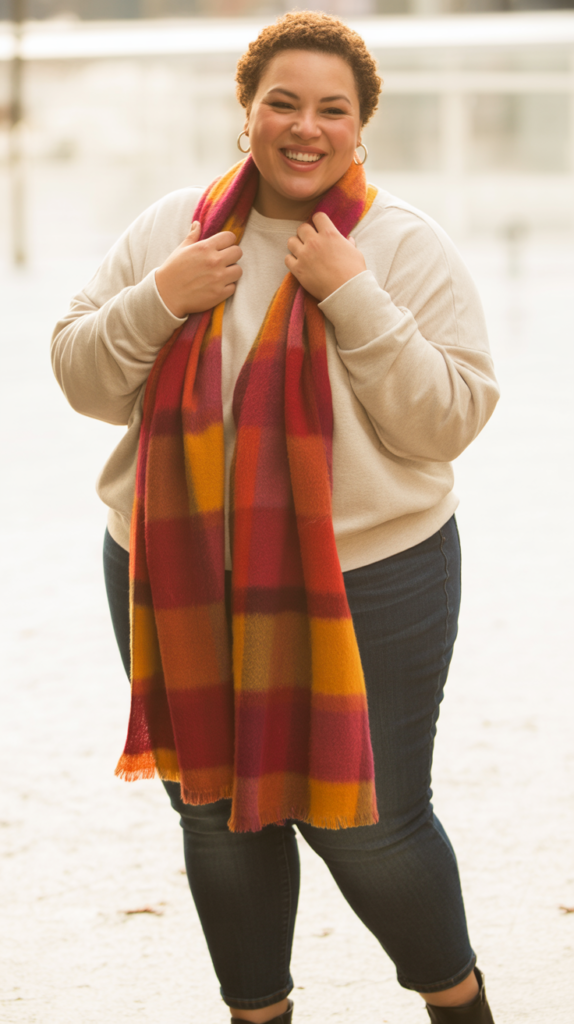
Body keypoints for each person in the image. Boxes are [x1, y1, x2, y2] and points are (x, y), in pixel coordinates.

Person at [51, 11, 500, 1024]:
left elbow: (451, 419)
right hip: (170, 568)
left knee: (370, 824)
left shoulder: (398, 246)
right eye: (282, 103)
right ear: (246, 116)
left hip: (369, 577)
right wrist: (159, 297)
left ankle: (460, 1005)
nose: (305, 127)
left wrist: (356, 299)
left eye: (330, 109)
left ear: (360, 127)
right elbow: (79, 373)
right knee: (214, 813)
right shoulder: (174, 227)